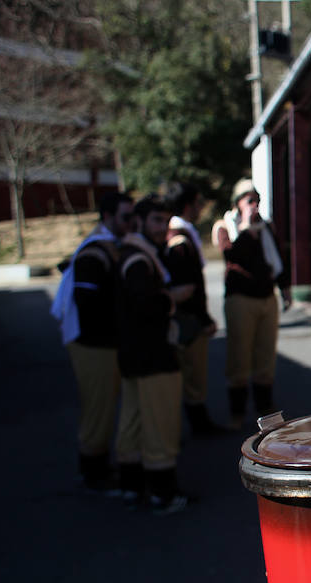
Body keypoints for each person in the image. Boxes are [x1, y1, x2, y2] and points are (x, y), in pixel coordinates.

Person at [51, 191, 134, 492]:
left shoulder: (109, 247)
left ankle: (96, 464)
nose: (131, 223)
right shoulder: (94, 253)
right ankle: (92, 469)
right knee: (98, 407)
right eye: (126, 217)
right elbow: (88, 304)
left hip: (102, 343)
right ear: (108, 217)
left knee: (103, 404)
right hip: (92, 344)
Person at [115, 193, 191, 515]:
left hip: (135, 354)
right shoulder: (138, 259)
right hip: (153, 355)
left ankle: (130, 486)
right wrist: (170, 298)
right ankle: (163, 493)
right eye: (156, 220)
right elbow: (146, 305)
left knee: (132, 421)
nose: (162, 227)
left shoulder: (137, 253)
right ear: (140, 222)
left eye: (165, 220)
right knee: (160, 425)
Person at [212, 179, 291, 429]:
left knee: (265, 356)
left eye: (257, 200)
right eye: (249, 200)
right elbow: (232, 256)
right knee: (239, 357)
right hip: (240, 299)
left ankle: (265, 409)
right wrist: (246, 229)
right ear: (237, 203)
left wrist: (285, 287)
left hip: (266, 297)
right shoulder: (226, 227)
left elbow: (277, 256)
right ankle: (237, 414)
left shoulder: (266, 227)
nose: (255, 205)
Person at [165, 181, 225, 436]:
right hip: (189, 320)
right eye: (199, 203)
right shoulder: (179, 238)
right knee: (193, 377)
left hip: (186, 317)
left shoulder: (179, 233)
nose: (202, 208)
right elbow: (187, 287)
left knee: (190, 376)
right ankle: (198, 426)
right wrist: (203, 318)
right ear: (189, 205)